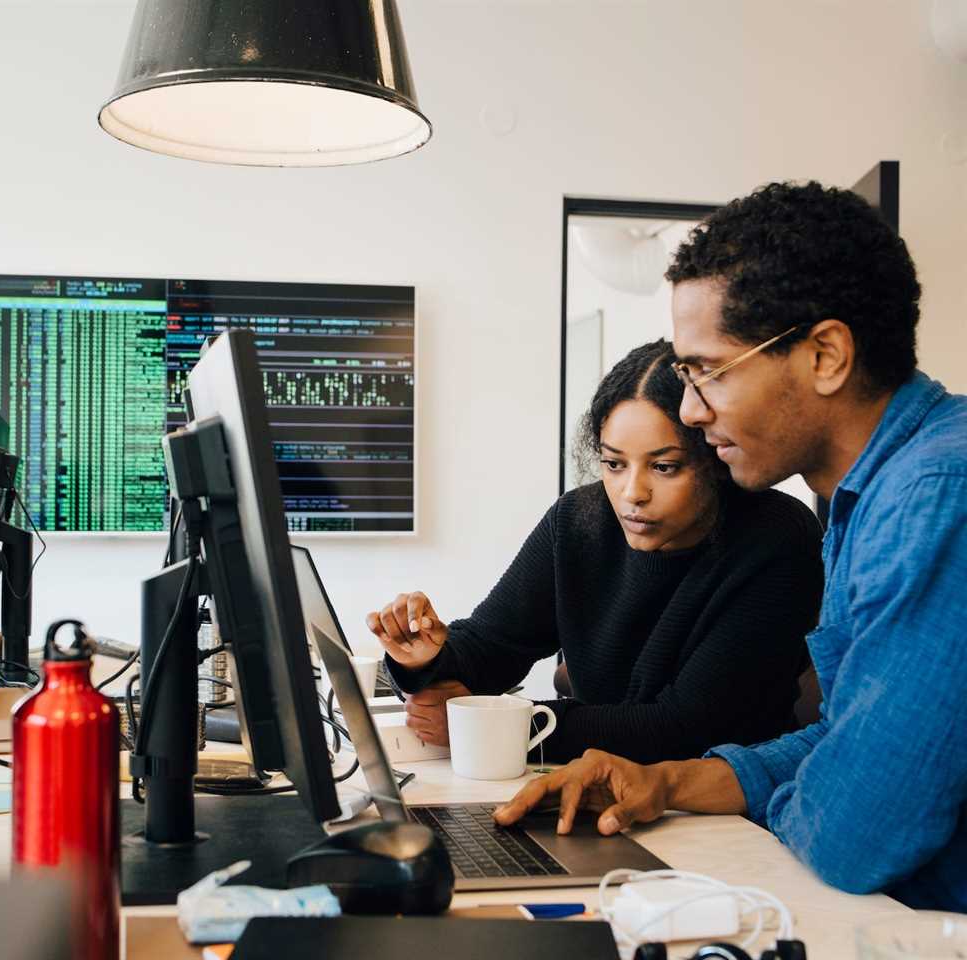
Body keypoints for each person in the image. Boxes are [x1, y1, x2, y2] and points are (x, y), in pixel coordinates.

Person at [494, 181, 967, 913]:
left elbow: (856, 833)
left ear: (827, 356)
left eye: (707, 370)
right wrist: (667, 782)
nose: (689, 409)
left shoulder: (936, 497)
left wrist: (793, 798)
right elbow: (846, 743)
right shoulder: (866, 498)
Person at [365, 339, 824, 765]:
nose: (632, 493)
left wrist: (498, 726)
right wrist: (424, 659)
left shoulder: (776, 537)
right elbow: (494, 643)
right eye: (613, 463)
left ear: (714, 459)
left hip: (724, 815)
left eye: (664, 467)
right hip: (600, 785)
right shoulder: (579, 520)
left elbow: (688, 727)